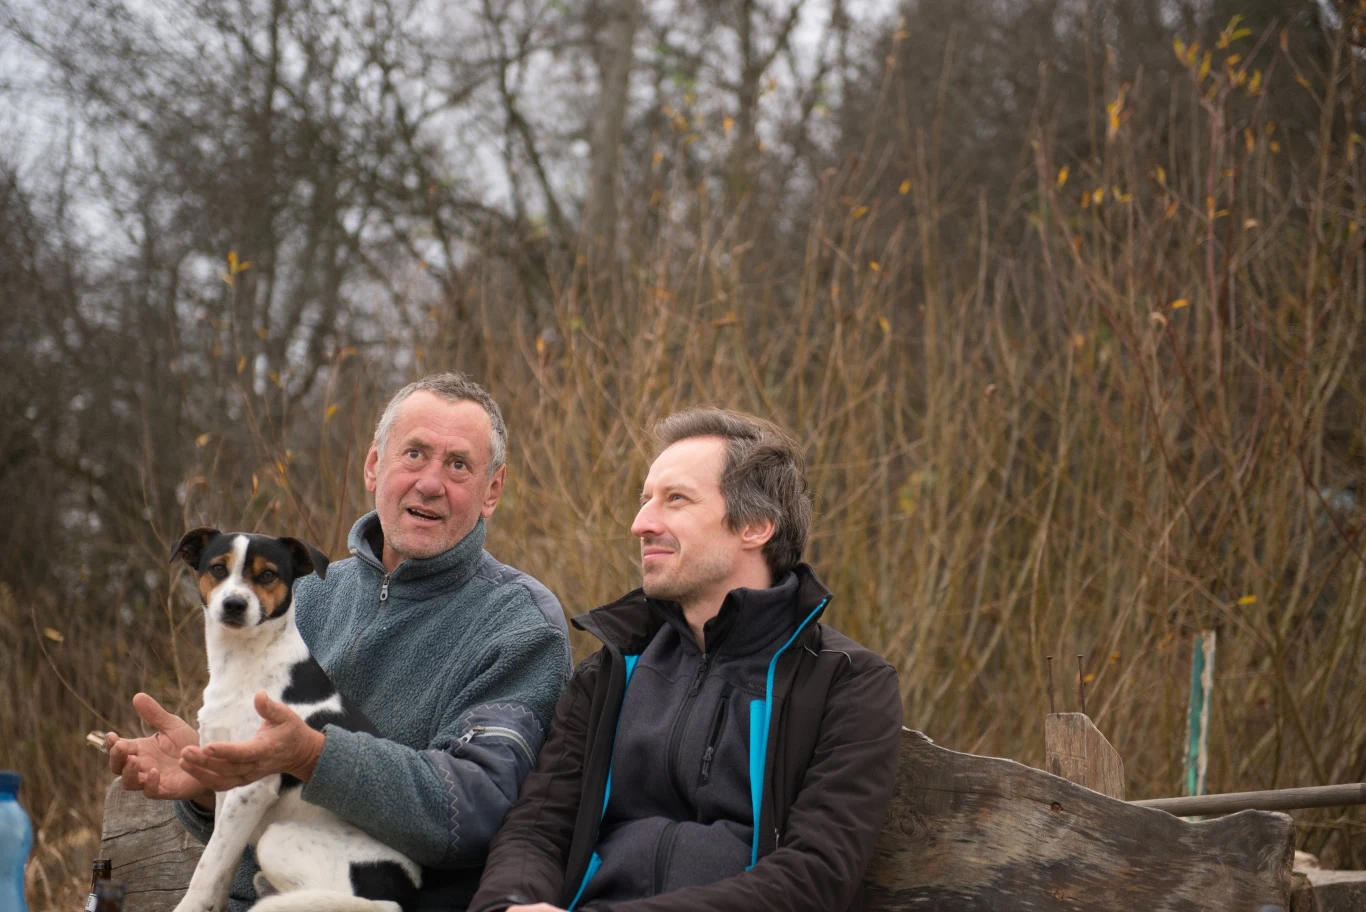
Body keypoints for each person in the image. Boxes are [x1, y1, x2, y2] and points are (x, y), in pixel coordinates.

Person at [106, 372, 573, 912]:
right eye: (414, 454)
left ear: (492, 490)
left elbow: (478, 808)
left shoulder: (518, 625)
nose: (429, 483)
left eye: (459, 465)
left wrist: (315, 756)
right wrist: (207, 775)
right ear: (375, 466)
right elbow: (271, 800)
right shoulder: (301, 595)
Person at [469, 407, 903, 912]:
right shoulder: (612, 668)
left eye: (675, 500)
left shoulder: (844, 683)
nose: (640, 524)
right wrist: (511, 903)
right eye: (645, 500)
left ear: (757, 525)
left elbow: (813, 878)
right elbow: (536, 830)